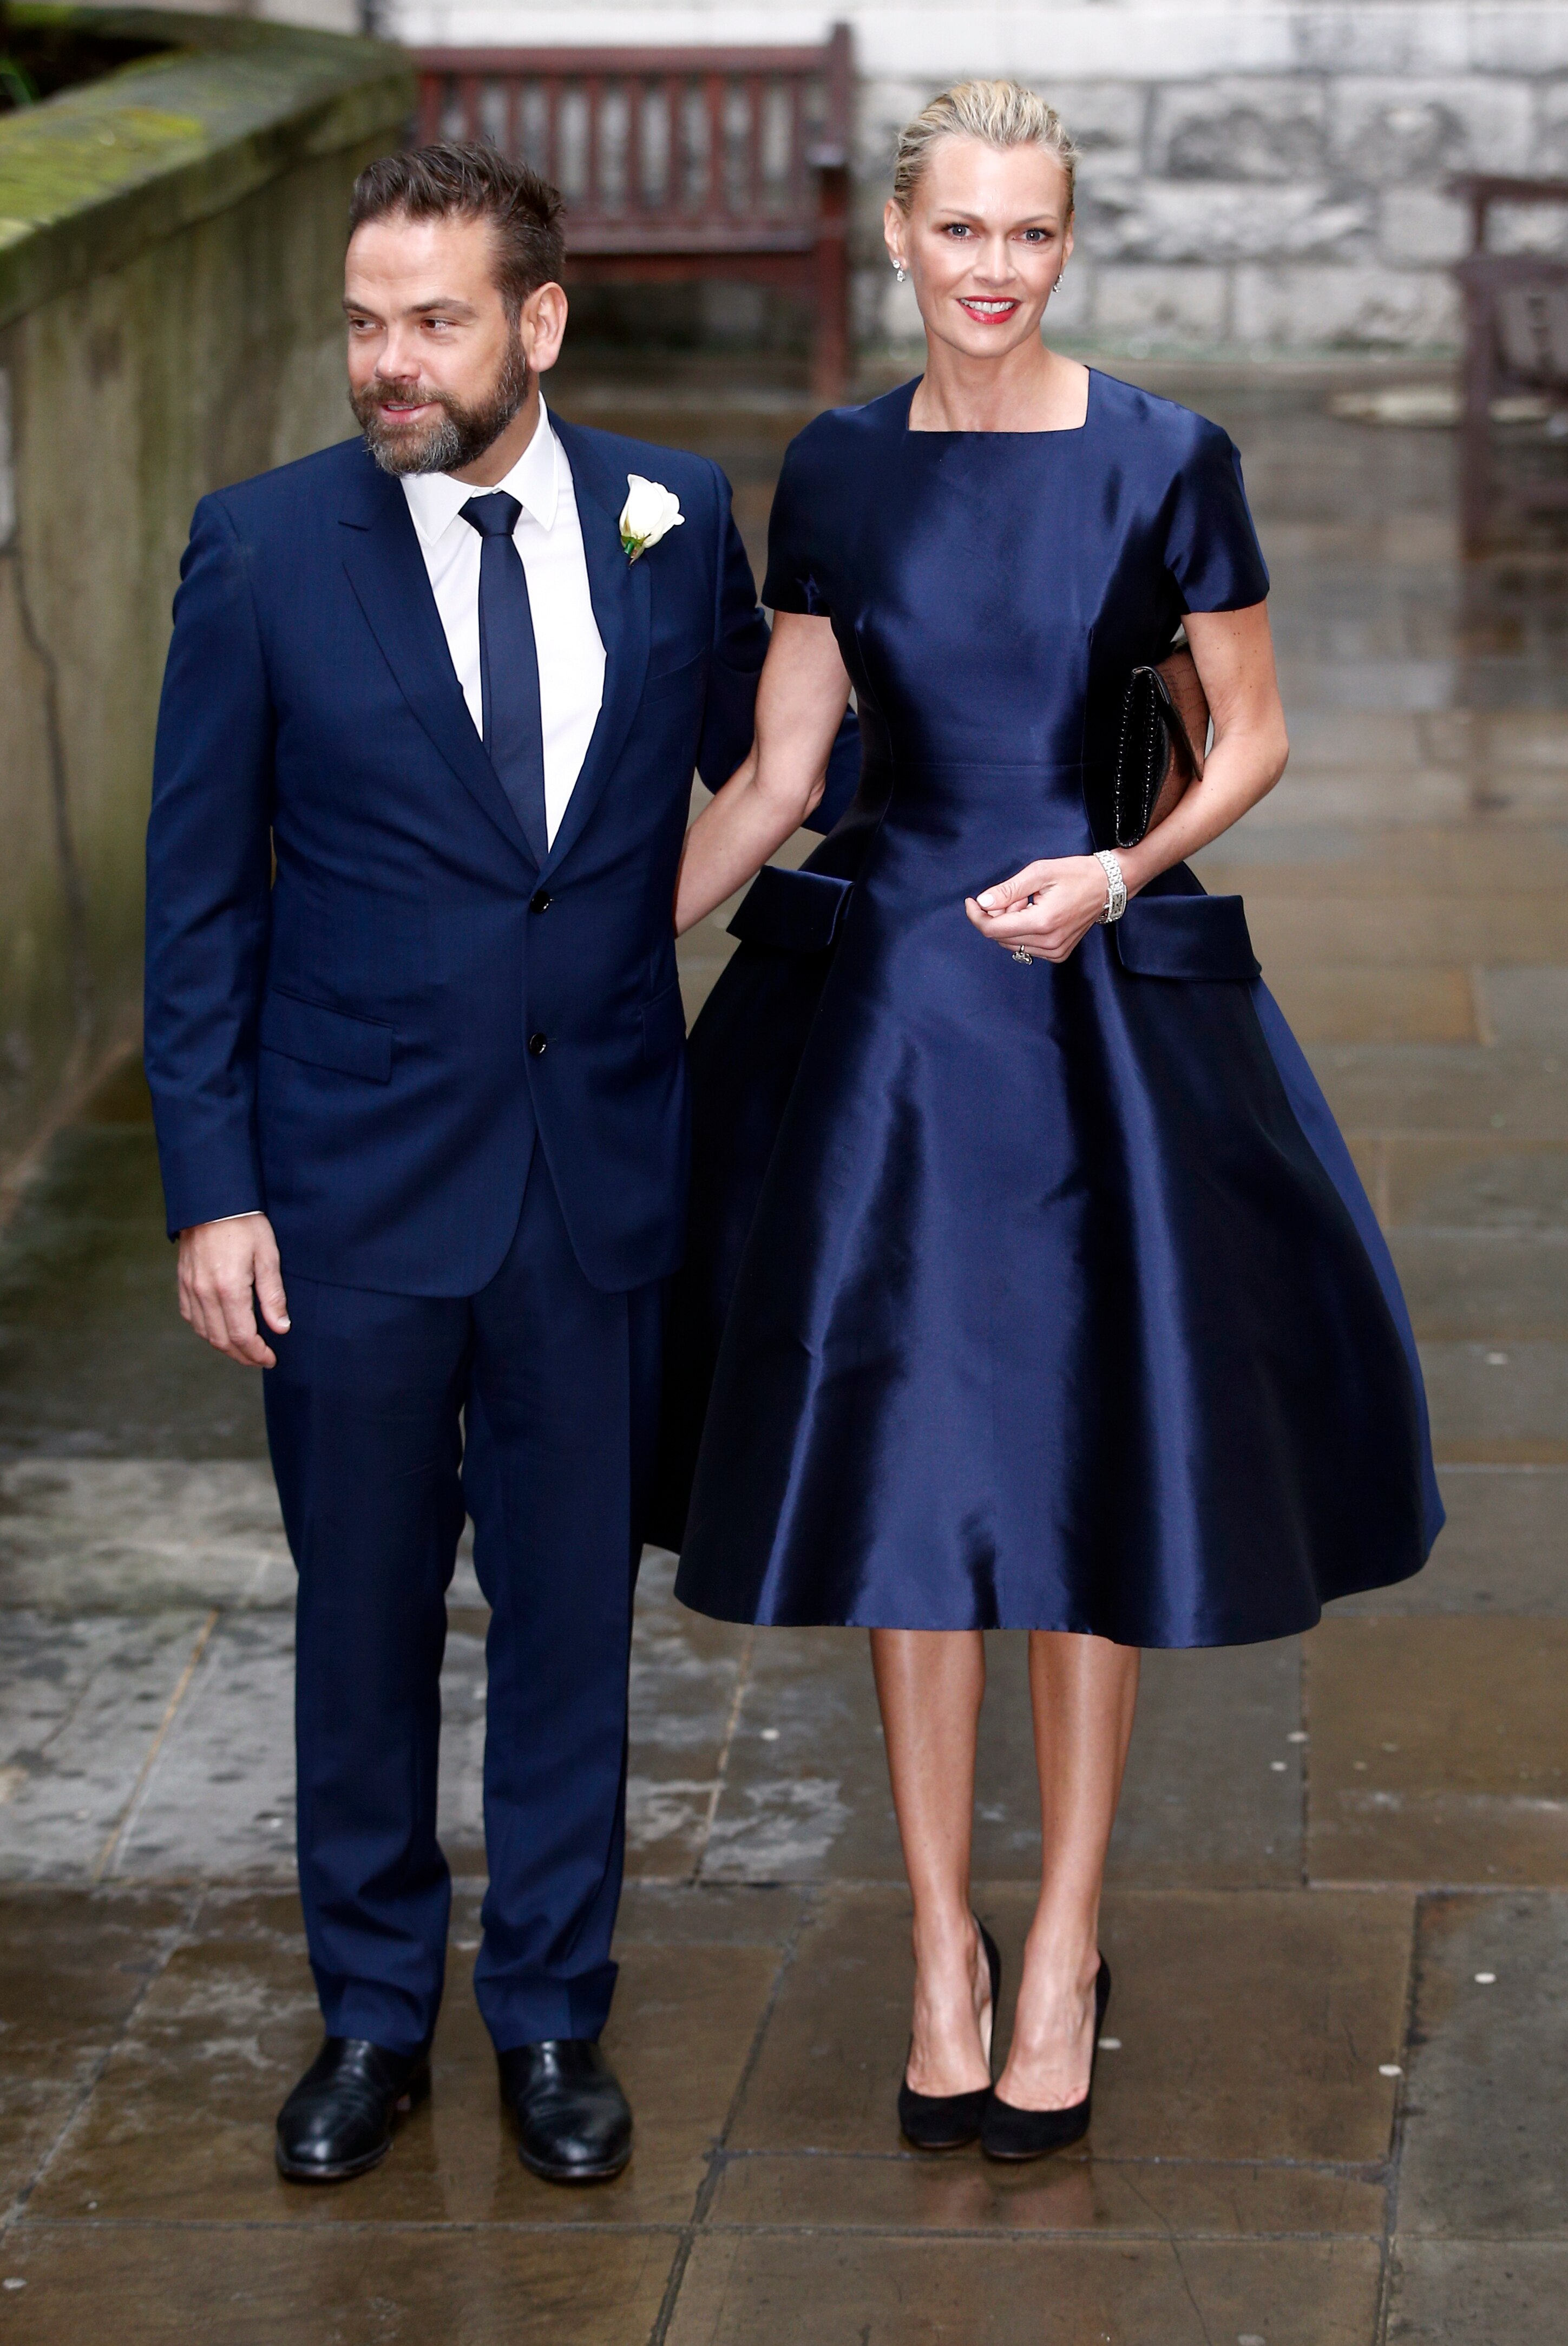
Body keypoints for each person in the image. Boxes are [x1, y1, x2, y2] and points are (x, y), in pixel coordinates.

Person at [667, 82, 1442, 2161]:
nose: (993, 270)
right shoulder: (830, 466)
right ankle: (941, 1948)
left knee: (1097, 1477)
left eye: (1030, 236)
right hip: (898, 1030)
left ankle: (1070, 1938)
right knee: (915, 1496)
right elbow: (778, 768)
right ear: (899, 241)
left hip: (1095, 1002)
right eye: (960, 234)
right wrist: (555, 963)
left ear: (1062, 245)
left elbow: (1253, 733)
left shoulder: (1167, 458)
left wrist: (1116, 872)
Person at [143, 142, 773, 2186]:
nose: (387, 362)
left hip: (595, 1172)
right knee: (363, 1610)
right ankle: (369, 2015)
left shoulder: (674, 528)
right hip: (343, 1187)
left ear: (538, 324)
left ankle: (554, 2016)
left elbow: (770, 754)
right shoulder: (257, 551)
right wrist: (213, 1186)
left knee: (576, 1611)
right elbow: (197, 911)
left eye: (430, 320)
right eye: (362, 320)